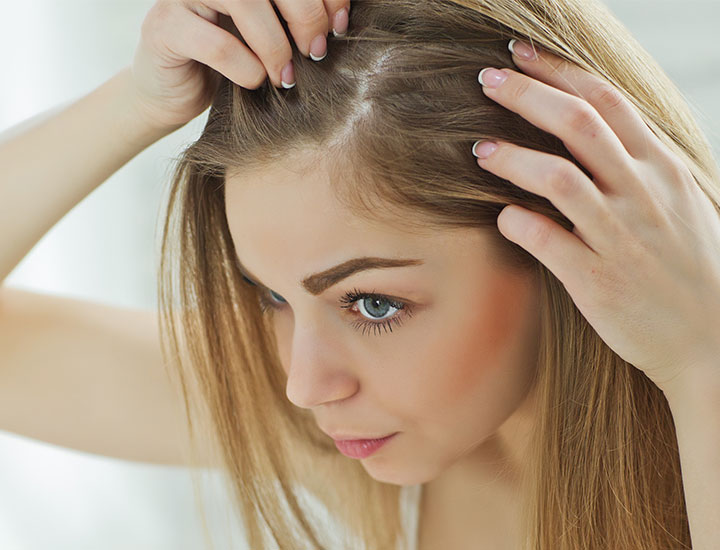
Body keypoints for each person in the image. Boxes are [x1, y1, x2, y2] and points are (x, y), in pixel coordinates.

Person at [2, 1, 719, 549]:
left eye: (371, 303)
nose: (304, 385)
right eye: (274, 295)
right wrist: (136, 102)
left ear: (571, 243)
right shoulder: (362, 439)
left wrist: (704, 357)